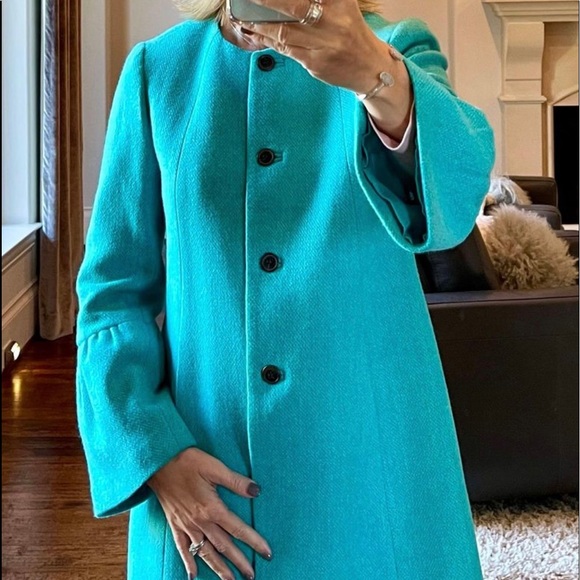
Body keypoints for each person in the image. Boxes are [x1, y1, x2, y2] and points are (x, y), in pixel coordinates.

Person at [74, 0, 495, 577]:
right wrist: (155, 454)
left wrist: (377, 76)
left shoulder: (394, 46)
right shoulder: (159, 70)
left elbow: (454, 205)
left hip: (375, 476)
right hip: (205, 482)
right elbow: (112, 291)